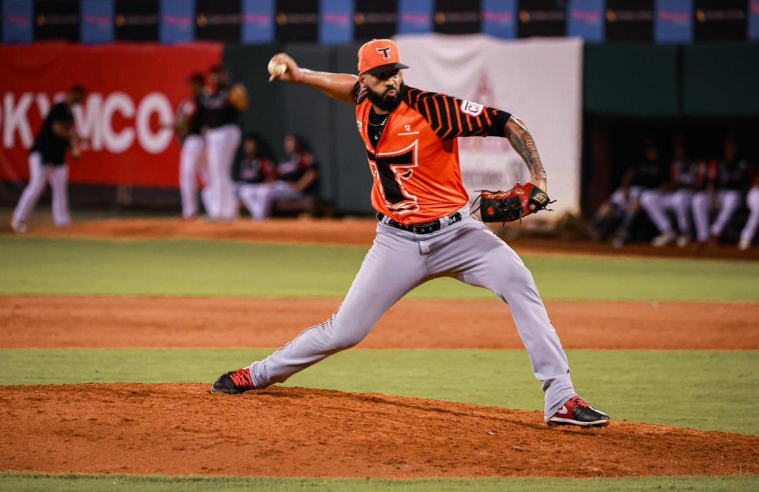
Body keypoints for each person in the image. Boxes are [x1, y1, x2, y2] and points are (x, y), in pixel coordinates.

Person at [212, 39, 610, 429]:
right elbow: (345, 86)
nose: (392, 82)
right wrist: (300, 76)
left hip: (458, 236)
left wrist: (537, 176)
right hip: (396, 242)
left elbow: (508, 122)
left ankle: (561, 397)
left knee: (519, 281)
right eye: (381, 76)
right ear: (366, 79)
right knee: (346, 330)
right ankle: (258, 374)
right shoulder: (363, 99)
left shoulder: (434, 109)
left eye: (395, 73)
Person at [11, 85, 86, 233]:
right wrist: (78, 138)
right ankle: (19, 218)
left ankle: (62, 222)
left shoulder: (70, 115)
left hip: (57, 158)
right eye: (81, 96)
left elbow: (68, 136)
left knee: (60, 189)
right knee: (36, 185)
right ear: (73, 93)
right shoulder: (58, 108)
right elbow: (57, 129)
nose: (82, 100)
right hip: (42, 155)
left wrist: (74, 149)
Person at [202, 64, 249, 221]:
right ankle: (226, 210)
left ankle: (221, 212)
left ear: (224, 75)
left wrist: (237, 96)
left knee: (220, 171)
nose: (215, 77)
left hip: (226, 131)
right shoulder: (211, 94)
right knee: (217, 172)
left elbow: (243, 105)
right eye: (213, 75)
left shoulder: (231, 89)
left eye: (218, 74)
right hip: (213, 134)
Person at [241, 134, 319, 221]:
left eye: (291, 142)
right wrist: (269, 182)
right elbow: (275, 175)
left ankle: (259, 219)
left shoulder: (303, 156)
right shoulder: (285, 159)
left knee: (264, 192)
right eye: (287, 142)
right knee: (253, 191)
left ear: (298, 143)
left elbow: (312, 173)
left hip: (294, 189)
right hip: (282, 187)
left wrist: (299, 186)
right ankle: (258, 216)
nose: (289, 145)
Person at [640, 137, 701, 248]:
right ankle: (668, 231)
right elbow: (671, 183)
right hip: (674, 195)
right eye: (678, 149)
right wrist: (667, 187)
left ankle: (685, 233)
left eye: (682, 149)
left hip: (690, 196)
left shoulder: (696, 164)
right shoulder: (675, 164)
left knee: (680, 198)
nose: (680, 152)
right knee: (647, 197)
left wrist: (681, 185)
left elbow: (699, 186)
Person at [691, 136, 748, 248]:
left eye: (733, 145)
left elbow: (745, 183)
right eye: (728, 145)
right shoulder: (718, 161)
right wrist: (714, 198)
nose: (731, 148)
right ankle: (703, 236)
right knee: (698, 199)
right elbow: (711, 182)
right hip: (719, 194)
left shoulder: (742, 162)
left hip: (736, 196)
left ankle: (716, 233)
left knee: (733, 198)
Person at [176, 73, 207, 220]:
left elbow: (186, 125)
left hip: (197, 140)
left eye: (194, 83)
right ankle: (193, 211)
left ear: (200, 84)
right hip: (202, 141)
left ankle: (191, 211)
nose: (191, 87)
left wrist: (180, 125)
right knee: (206, 176)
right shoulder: (200, 99)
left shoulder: (201, 99)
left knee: (189, 174)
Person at [236, 133, 277, 218]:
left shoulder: (262, 161)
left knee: (260, 192)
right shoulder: (245, 162)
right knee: (242, 191)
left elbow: (271, 176)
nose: (248, 146)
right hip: (246, 187)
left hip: (259, 186)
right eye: (246, 144)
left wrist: (265, 185)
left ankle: (259, 216)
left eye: (250, 144)